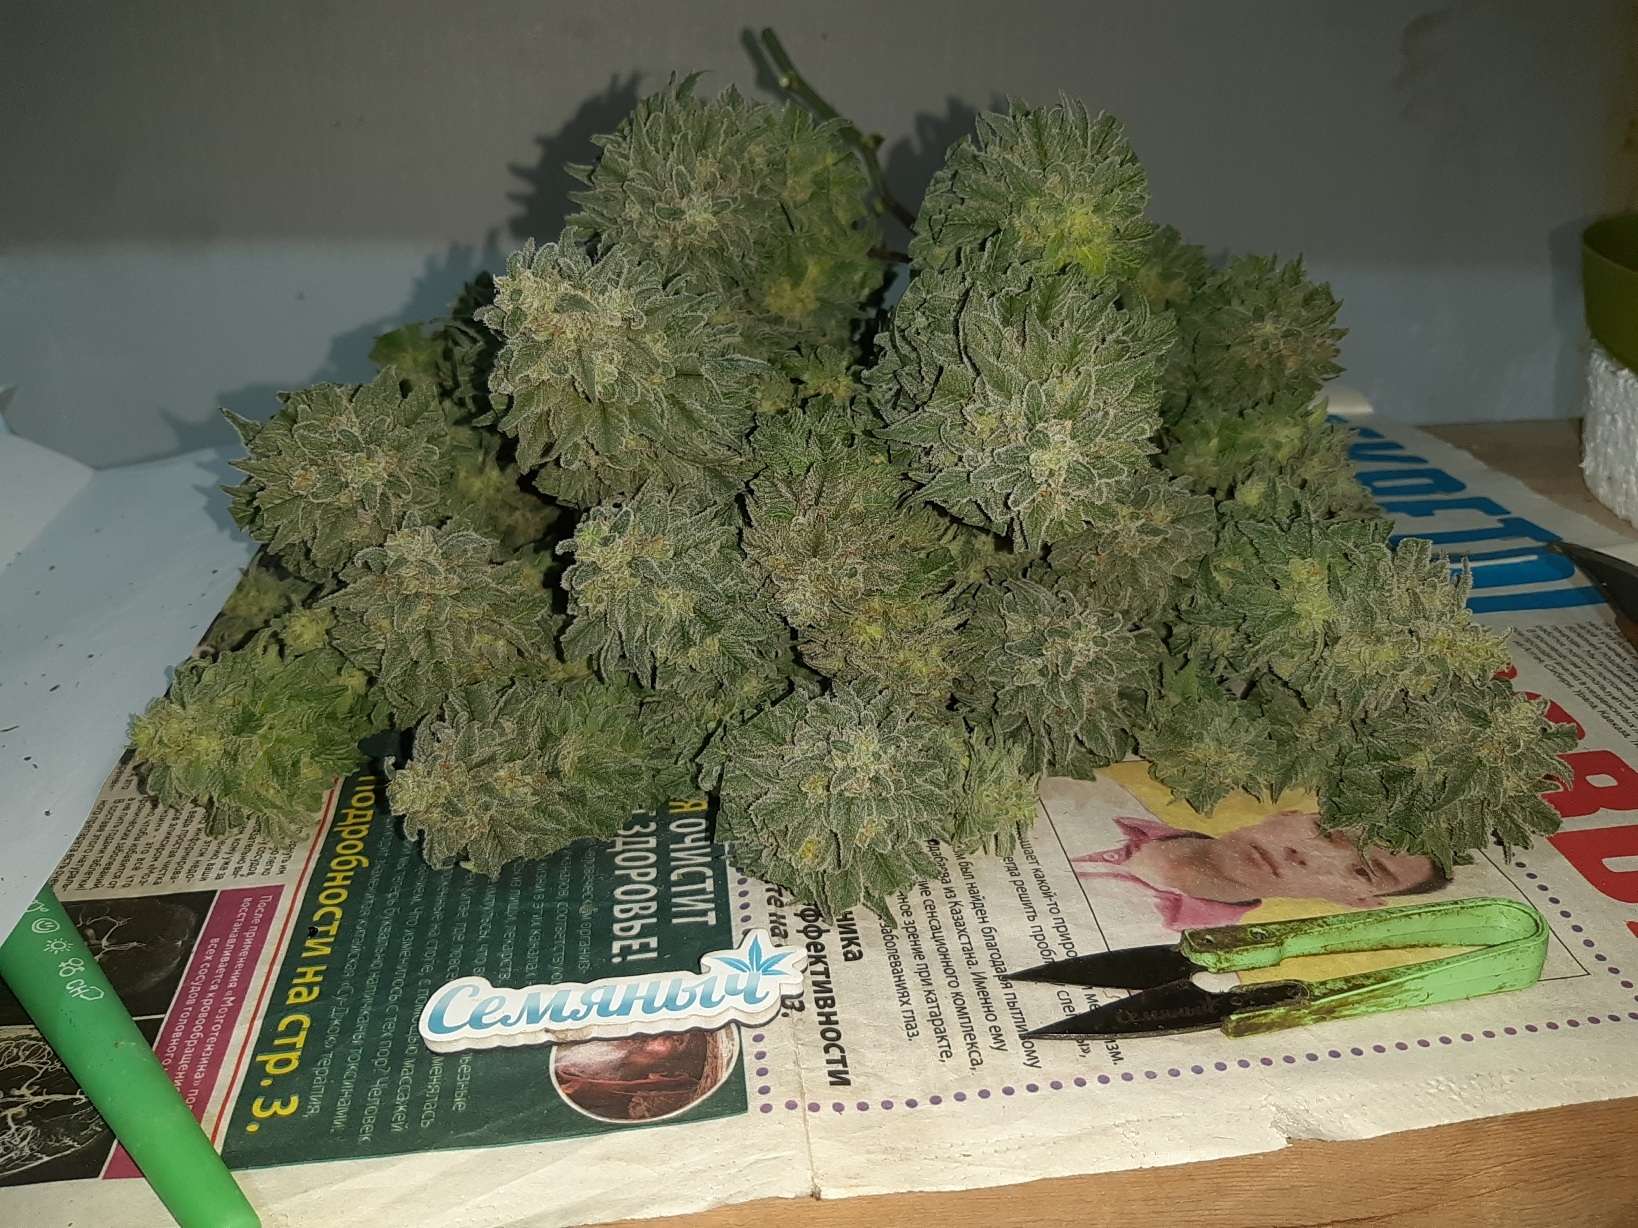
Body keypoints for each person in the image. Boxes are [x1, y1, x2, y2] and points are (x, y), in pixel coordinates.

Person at [1070, 806, 1450, 931]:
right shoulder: (1101, 806)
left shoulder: (1176, 939)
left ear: (1358, 901)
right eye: (1328, 830)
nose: (1304, 855)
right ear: (1289, 813)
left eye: (1361, 872)